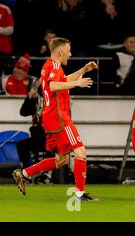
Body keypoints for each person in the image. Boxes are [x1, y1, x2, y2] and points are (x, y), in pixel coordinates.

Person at [12, 37, 99, 201]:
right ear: (60, 52)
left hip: (51, 117)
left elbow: (63, 81)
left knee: (61, 160)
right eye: (69, 51)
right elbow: (53, 86)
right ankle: (80, 194)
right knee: (80, 151)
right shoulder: (52, 66)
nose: (70, 54)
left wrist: (83, 70)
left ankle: (23, 174)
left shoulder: (53, 66)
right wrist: (78, 84)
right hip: (59, 117)